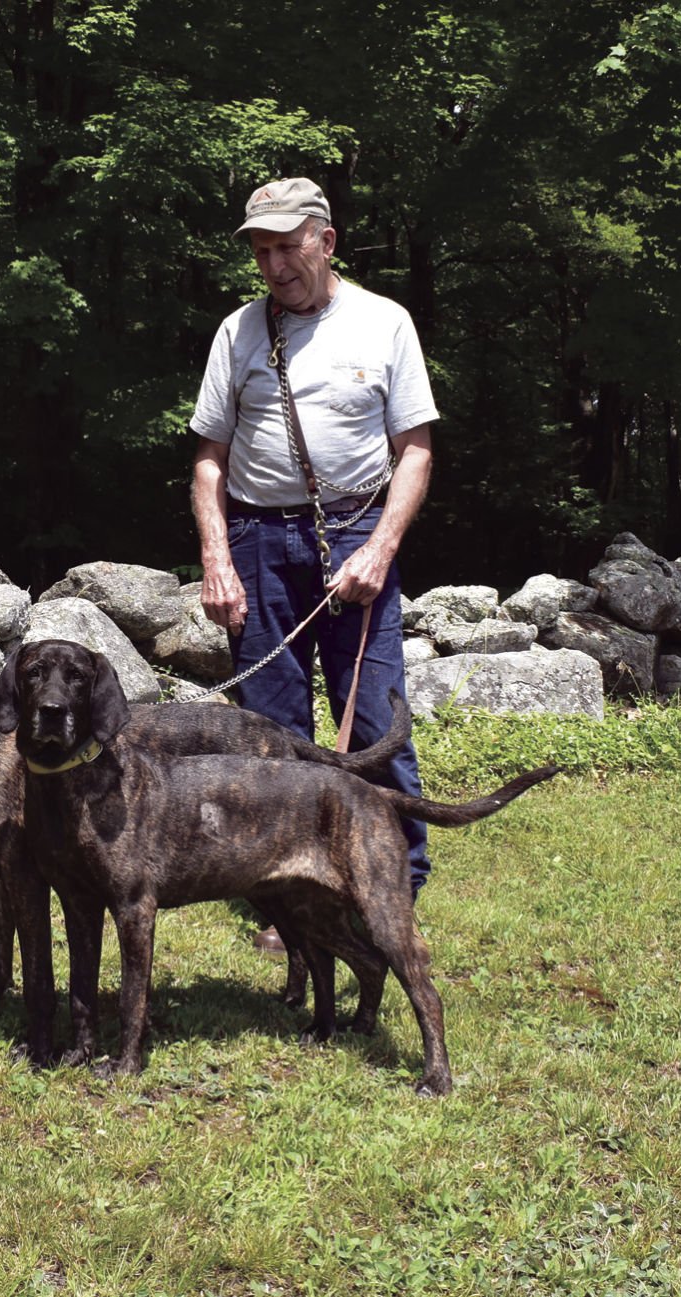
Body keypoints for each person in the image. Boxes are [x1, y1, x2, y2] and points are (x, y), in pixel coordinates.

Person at [187, 178, 437, 952]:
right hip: (259, 541)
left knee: (373, 723)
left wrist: (381, 548)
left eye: (287, 246)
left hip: (357, 529)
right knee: (269, 739)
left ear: (325, 241)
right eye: (260, 250)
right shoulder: (237, 333)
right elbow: (207, 461)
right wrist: (217, 559)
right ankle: (288, 903)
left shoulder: (385, 322)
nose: (274, 264)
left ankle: (396, 887)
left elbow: (416, 452)